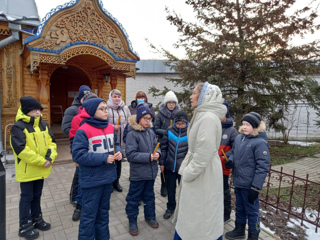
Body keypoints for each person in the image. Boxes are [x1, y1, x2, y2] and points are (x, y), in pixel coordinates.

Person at [173, 82, 226, 240]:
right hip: (203, 172)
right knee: (196, 213)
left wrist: (188, 173)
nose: (191, 96)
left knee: (200, 214)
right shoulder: (205, 115)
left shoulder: (208, 118)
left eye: (194, 93)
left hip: (203, 175)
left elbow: (204, 153)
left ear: (205, 96)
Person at [72, 98, 122, 240]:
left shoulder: (111, 128)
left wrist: (118, 151)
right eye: (102, 108)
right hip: (91, 181)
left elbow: (116, 144)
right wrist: (104, 158)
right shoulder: (83, 130)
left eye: (106, 108)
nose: (106, 111)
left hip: (108, 178)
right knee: (88, 217)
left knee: (103, 214)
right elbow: (78, 155)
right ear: (93, 111)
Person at [10, 96, 58, 240]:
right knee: (26, 198)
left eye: (39, 110)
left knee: (37, 196)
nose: (38, 112)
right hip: (27, 170)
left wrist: (49, 158)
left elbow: (52, 143)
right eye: (34, 110)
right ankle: (24, 225)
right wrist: (41, 161)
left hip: (41, 169)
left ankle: (37, 219)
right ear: (26, 111)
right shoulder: (18, 127)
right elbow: (21, 150)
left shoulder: (43, 125)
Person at [225, 112, 270, 240]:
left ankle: (253, 235)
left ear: (255, 127)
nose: (244, 127)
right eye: (243, 124)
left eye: (248, 125)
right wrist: (231, 160)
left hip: (250, 186)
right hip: (238, 181)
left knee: (252, 211)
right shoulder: (240, 138)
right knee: (239, 207)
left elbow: (263, 167)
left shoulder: (260, 143)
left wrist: (255, 187)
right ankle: (239, 230)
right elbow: (234, 152)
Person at [125, 103, 161, 236]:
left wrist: (159, 153)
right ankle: (132, 220)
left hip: (151, 173)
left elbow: (157, 146)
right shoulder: (132, 134)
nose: (148, 121)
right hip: (138, 174)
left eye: (149, 119)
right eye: (145, 118)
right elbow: (131, 154)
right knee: (134, 198)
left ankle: (150, 216)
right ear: (139, 118)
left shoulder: (151, 132)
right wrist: (149, 157)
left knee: (149, 196)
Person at [68, 92, 98, 221]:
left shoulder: (101, 119)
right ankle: (79, 207)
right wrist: (75, 157)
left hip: (97, 158)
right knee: (82, 183)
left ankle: (94, 205)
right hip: (84, 158)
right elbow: (73, 139)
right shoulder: (78, 119)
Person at [61, 85, 92, 206]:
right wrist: (82, 133)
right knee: (79, 172)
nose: (87, 98)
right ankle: (73, 196)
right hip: (77, 145)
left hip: (90, 145)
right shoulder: (72, 110)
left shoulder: (91, 109)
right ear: (80, 97)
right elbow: (66, 129)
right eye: (85, 96)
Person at [159, 111, 189, 220]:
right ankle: (170, 207)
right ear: (174, 122)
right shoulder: (169, 131)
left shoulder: (190, 132)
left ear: (187, 123)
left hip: (183, 168)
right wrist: (162, 163)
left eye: (182, 123)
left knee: (184, 190)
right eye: (178, 123)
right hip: (169, 166)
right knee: (170, 189)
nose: (180, 125)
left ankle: (182, 209)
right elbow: (164, 147)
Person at [154, 90, 180, 197]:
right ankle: (163, 186)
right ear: (166, 103)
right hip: (164, 143)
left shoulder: (178, 114)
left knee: (174, 165)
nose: (171, 105)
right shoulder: (160, 114)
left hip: (176, 144)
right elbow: (155, 128)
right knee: (163, 165)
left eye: (173, 103)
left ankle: (174, 186)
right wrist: (166, 133)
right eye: (169, 102)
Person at [107, 89, 131, 192]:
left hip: (122, 139)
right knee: (111, 161)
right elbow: (103, 122)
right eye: (115, 97)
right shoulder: (107, 108)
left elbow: (130, 121)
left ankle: (117, 182)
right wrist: (113, 127)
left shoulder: (125, 108)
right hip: (111, 139)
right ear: (110, 97)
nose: (117, 99)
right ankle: (110, 183)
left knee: (119, 161)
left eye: (118, 96)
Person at [218, 101, 238, 224]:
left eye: (222, 113)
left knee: (224, 191)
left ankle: (226, 214)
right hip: (210, 166)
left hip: (223, 167)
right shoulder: (212, 126)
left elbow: (236, 149)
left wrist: (228, 159)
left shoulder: (232, 131)